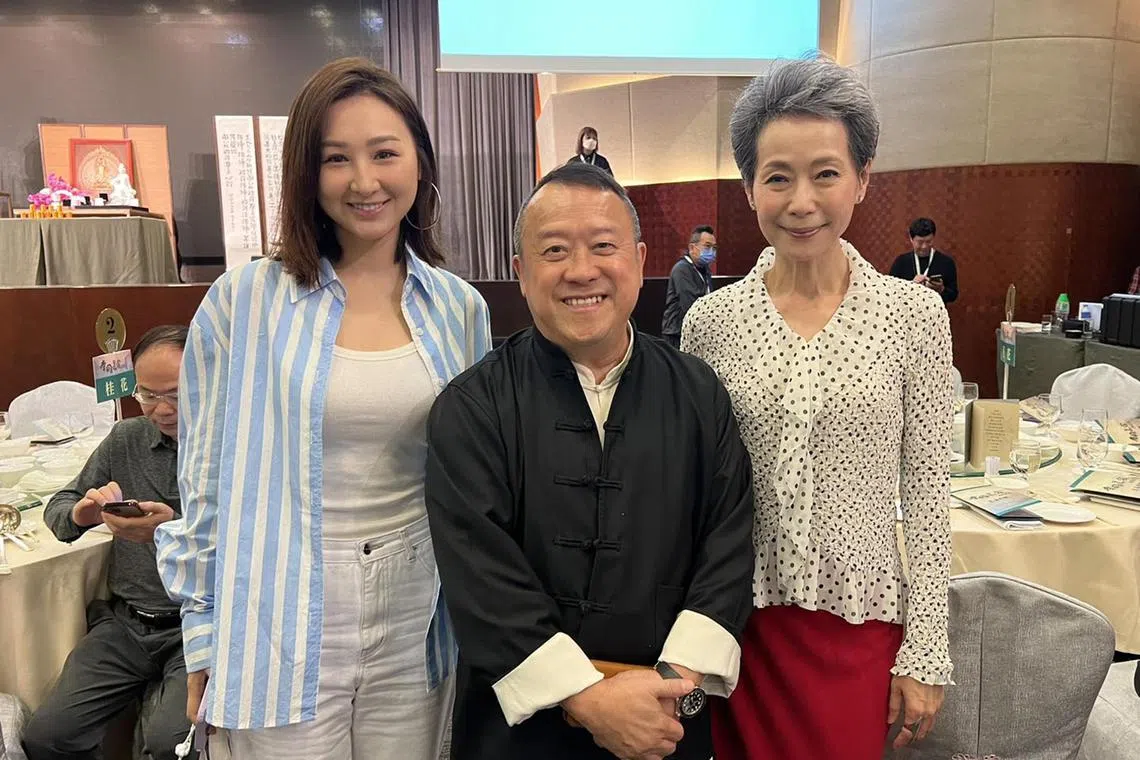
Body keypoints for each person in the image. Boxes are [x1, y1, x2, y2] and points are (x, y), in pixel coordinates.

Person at [155, 57, 491, 758]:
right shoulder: (245, 302)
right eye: (336, 159)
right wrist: (204, 635)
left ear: (420, 164)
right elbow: (205, 485)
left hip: (418, 606)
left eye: (384, 154)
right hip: (276, 607)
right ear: (307, 174)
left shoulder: (459, 309)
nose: (364, 182)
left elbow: (478, 481)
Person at [423, 161, 756, 760]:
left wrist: (668, 683)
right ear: (521, 273)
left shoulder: (698, 391)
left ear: (639, 257)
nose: (582, 271)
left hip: (665, 724)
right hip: (520, 734)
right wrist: (588, 699)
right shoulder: (472, 408)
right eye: (554, 250)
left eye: (603, 246)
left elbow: (728, 544)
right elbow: (482, 580)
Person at [682, 57, 953, 760]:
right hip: (737, 626)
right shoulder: (710, 323)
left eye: (825, 173)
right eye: (777, 177)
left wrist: (925, 649)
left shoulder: (914, 316)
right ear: (749, 188)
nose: (801, 200)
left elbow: (926, 493)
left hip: (858, 629)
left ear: (863, 178)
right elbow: (694, 491)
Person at [24, 326, 189, 760]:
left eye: (175, 394)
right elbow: (60, 510)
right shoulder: (127, 439)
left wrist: (169, 531)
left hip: (197, 625)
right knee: (47, 736)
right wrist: (81, 513)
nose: (161, 409)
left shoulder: (234, 448)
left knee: (170, 744)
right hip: (128, 625)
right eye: (148, 395)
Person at [662, 224, 717, 348]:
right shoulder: (682, 270)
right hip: (677, 334)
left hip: (696, 331)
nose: (712, 252)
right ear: (692, 247)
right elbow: (690, 304)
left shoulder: (705, 270)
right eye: (707, 247)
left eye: (714, 248)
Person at [888, 217, 959, 303]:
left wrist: (941, 290)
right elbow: (889, 293)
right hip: (907, 314)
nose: (924, 246)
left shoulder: (947, 262)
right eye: (920, 242)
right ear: (911, 239)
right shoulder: (901, 262)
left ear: (934, 237)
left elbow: (953, 295)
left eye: (929, 241)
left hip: (935, 315)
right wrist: (911, 286)